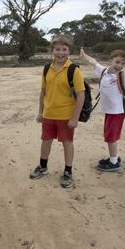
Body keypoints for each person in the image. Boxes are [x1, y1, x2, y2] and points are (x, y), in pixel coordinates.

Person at [30, 35, 85, 188]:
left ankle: (68, 172)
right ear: (52, 51)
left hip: (66, 116)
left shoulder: (74, 70)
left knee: (67, 143)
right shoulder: (47, 68)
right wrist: (40, 112)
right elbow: (43, 92)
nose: (61, 53)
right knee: (46, 141)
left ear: (69, 51)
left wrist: (75, 118)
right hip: (48, 114)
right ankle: (42, 167)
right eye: (57, 49)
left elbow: (81, 95)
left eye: (64, 49)